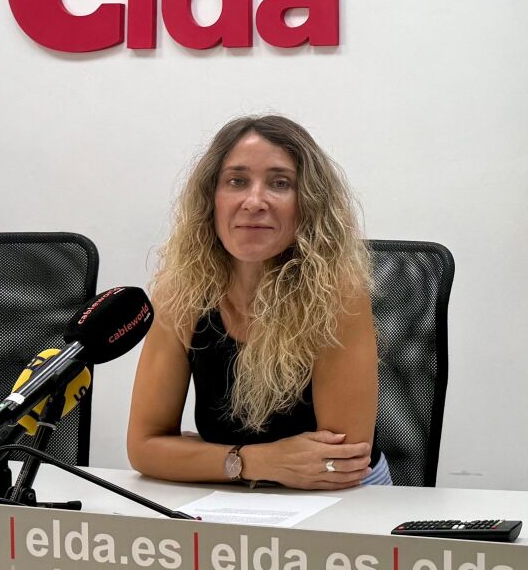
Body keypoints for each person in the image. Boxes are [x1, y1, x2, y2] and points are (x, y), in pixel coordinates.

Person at [127, 115, 391, 489]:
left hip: (344, 495)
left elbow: (337, 463)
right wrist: (254, 461)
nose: (254, 202)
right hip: (233, 491)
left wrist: (206, 458)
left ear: (308, 203)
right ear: (211, 199)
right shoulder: (180, 291)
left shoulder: (337, 291)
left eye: (280, 183)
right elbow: (144, 448)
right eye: (237, 181)